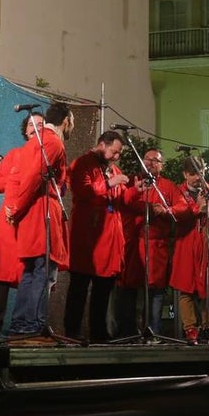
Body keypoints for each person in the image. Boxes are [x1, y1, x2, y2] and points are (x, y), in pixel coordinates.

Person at [5, 101, 73, 341]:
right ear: (66, 121)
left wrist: (16, 207)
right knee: (42, 270)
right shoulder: (52, 142)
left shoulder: (35, 142)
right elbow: (34, 177)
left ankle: (23, 324)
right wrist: (17, 206)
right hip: (42, 209)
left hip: (31, 210)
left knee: (32, 271)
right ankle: (31, 326)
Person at [63, 130, 129, 344]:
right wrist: (110, 183)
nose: (116, 156)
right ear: (102, 144)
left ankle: (99, 333)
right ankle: (71, 332)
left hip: (108, 239)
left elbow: (122, 199)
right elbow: (82, 191)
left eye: (119, 153)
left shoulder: (113, 169)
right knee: (79, 288)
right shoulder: (82, 163)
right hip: (88, 236)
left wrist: (134, 190)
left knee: (103, 290)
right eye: (114, 152)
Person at [0, 114, 41, 342]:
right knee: (2, 275)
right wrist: (17, 180)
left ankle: (25, 327)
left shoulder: (45, 157)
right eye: (30, 125)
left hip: (31, 221)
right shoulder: (15, 155)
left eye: (40, 125)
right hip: (9, 223)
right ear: (24, 130)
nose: (35, 128)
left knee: (31, 275)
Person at [115, 147, 181, 339]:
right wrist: (150, 208)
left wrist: (167, 211)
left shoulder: (168, 186)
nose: (151, 163)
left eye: (156, 160)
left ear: (162, 165)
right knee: (129, 290)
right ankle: (128, 332)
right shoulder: (133, 181)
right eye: (147, 159)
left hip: (157, 245)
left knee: (156, 292)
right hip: (134, 244)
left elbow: (180, 206)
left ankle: (154, 332)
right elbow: (125, 202)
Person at [169, 155, 209, 344]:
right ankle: (190, 329)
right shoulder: (178, 191)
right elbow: (178, 213)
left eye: (201, 173)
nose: (198, 178)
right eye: (193, 174)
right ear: (185, 174)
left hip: (208, 243)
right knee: (185, 288)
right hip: (186, 243)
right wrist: (197, 208)